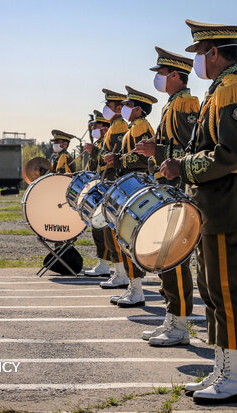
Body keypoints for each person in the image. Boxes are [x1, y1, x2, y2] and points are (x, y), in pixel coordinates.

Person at [161, 19, 237, 403]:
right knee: (210, 287)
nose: (198, 61)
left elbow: (232, 152)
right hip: (211, 200)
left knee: (225, 286)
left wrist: (183, 167)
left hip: (225, 197)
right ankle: (223, 365)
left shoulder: (234, 88)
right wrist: (175, 162)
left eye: (201, 53)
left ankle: (235, 375)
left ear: (215, 52)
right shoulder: (220, 88)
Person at [133, 47, 199, 346]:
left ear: (175, 75)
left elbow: (189, 151)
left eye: (161, 73)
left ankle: (181, 323)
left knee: (175, 258)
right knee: (165, 257)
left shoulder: (185, 104)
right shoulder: (172, 104)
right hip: (168, 188)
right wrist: (155, 148)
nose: (158, 78)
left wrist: (156, 151)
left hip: (179, 187)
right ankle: (172, 317)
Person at [104, 86, 157, 307]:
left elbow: (143, 159)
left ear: (137, 109)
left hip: (136, 185)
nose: (124, 108)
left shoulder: (141, 127)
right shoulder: (133, 127)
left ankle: (137, 290)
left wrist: (117, 161)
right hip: (129, 184)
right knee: (125, 237)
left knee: (130, 236)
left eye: (128, 104)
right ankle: (133, 288)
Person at [96, 89, 130, 289]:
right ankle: (120, 272)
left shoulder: (118, 127)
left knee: (113, 230)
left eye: (108, 106)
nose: (105, 109)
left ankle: (122, 274)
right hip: (110, 181)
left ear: (118, 108)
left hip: (113, 182)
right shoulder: (114, 126)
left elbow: (115, 156)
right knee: (109, 231)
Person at [84, 110, 114, 277]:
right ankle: (102, 262)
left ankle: (108, 265)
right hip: (98, 186)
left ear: (105, 128)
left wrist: (95, 151)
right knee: (97, 227)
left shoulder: (106, 143)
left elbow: (109, 159)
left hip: (106, 185)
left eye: (96, 125)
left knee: (104, 228)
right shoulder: (99, 143)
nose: (93, 128)